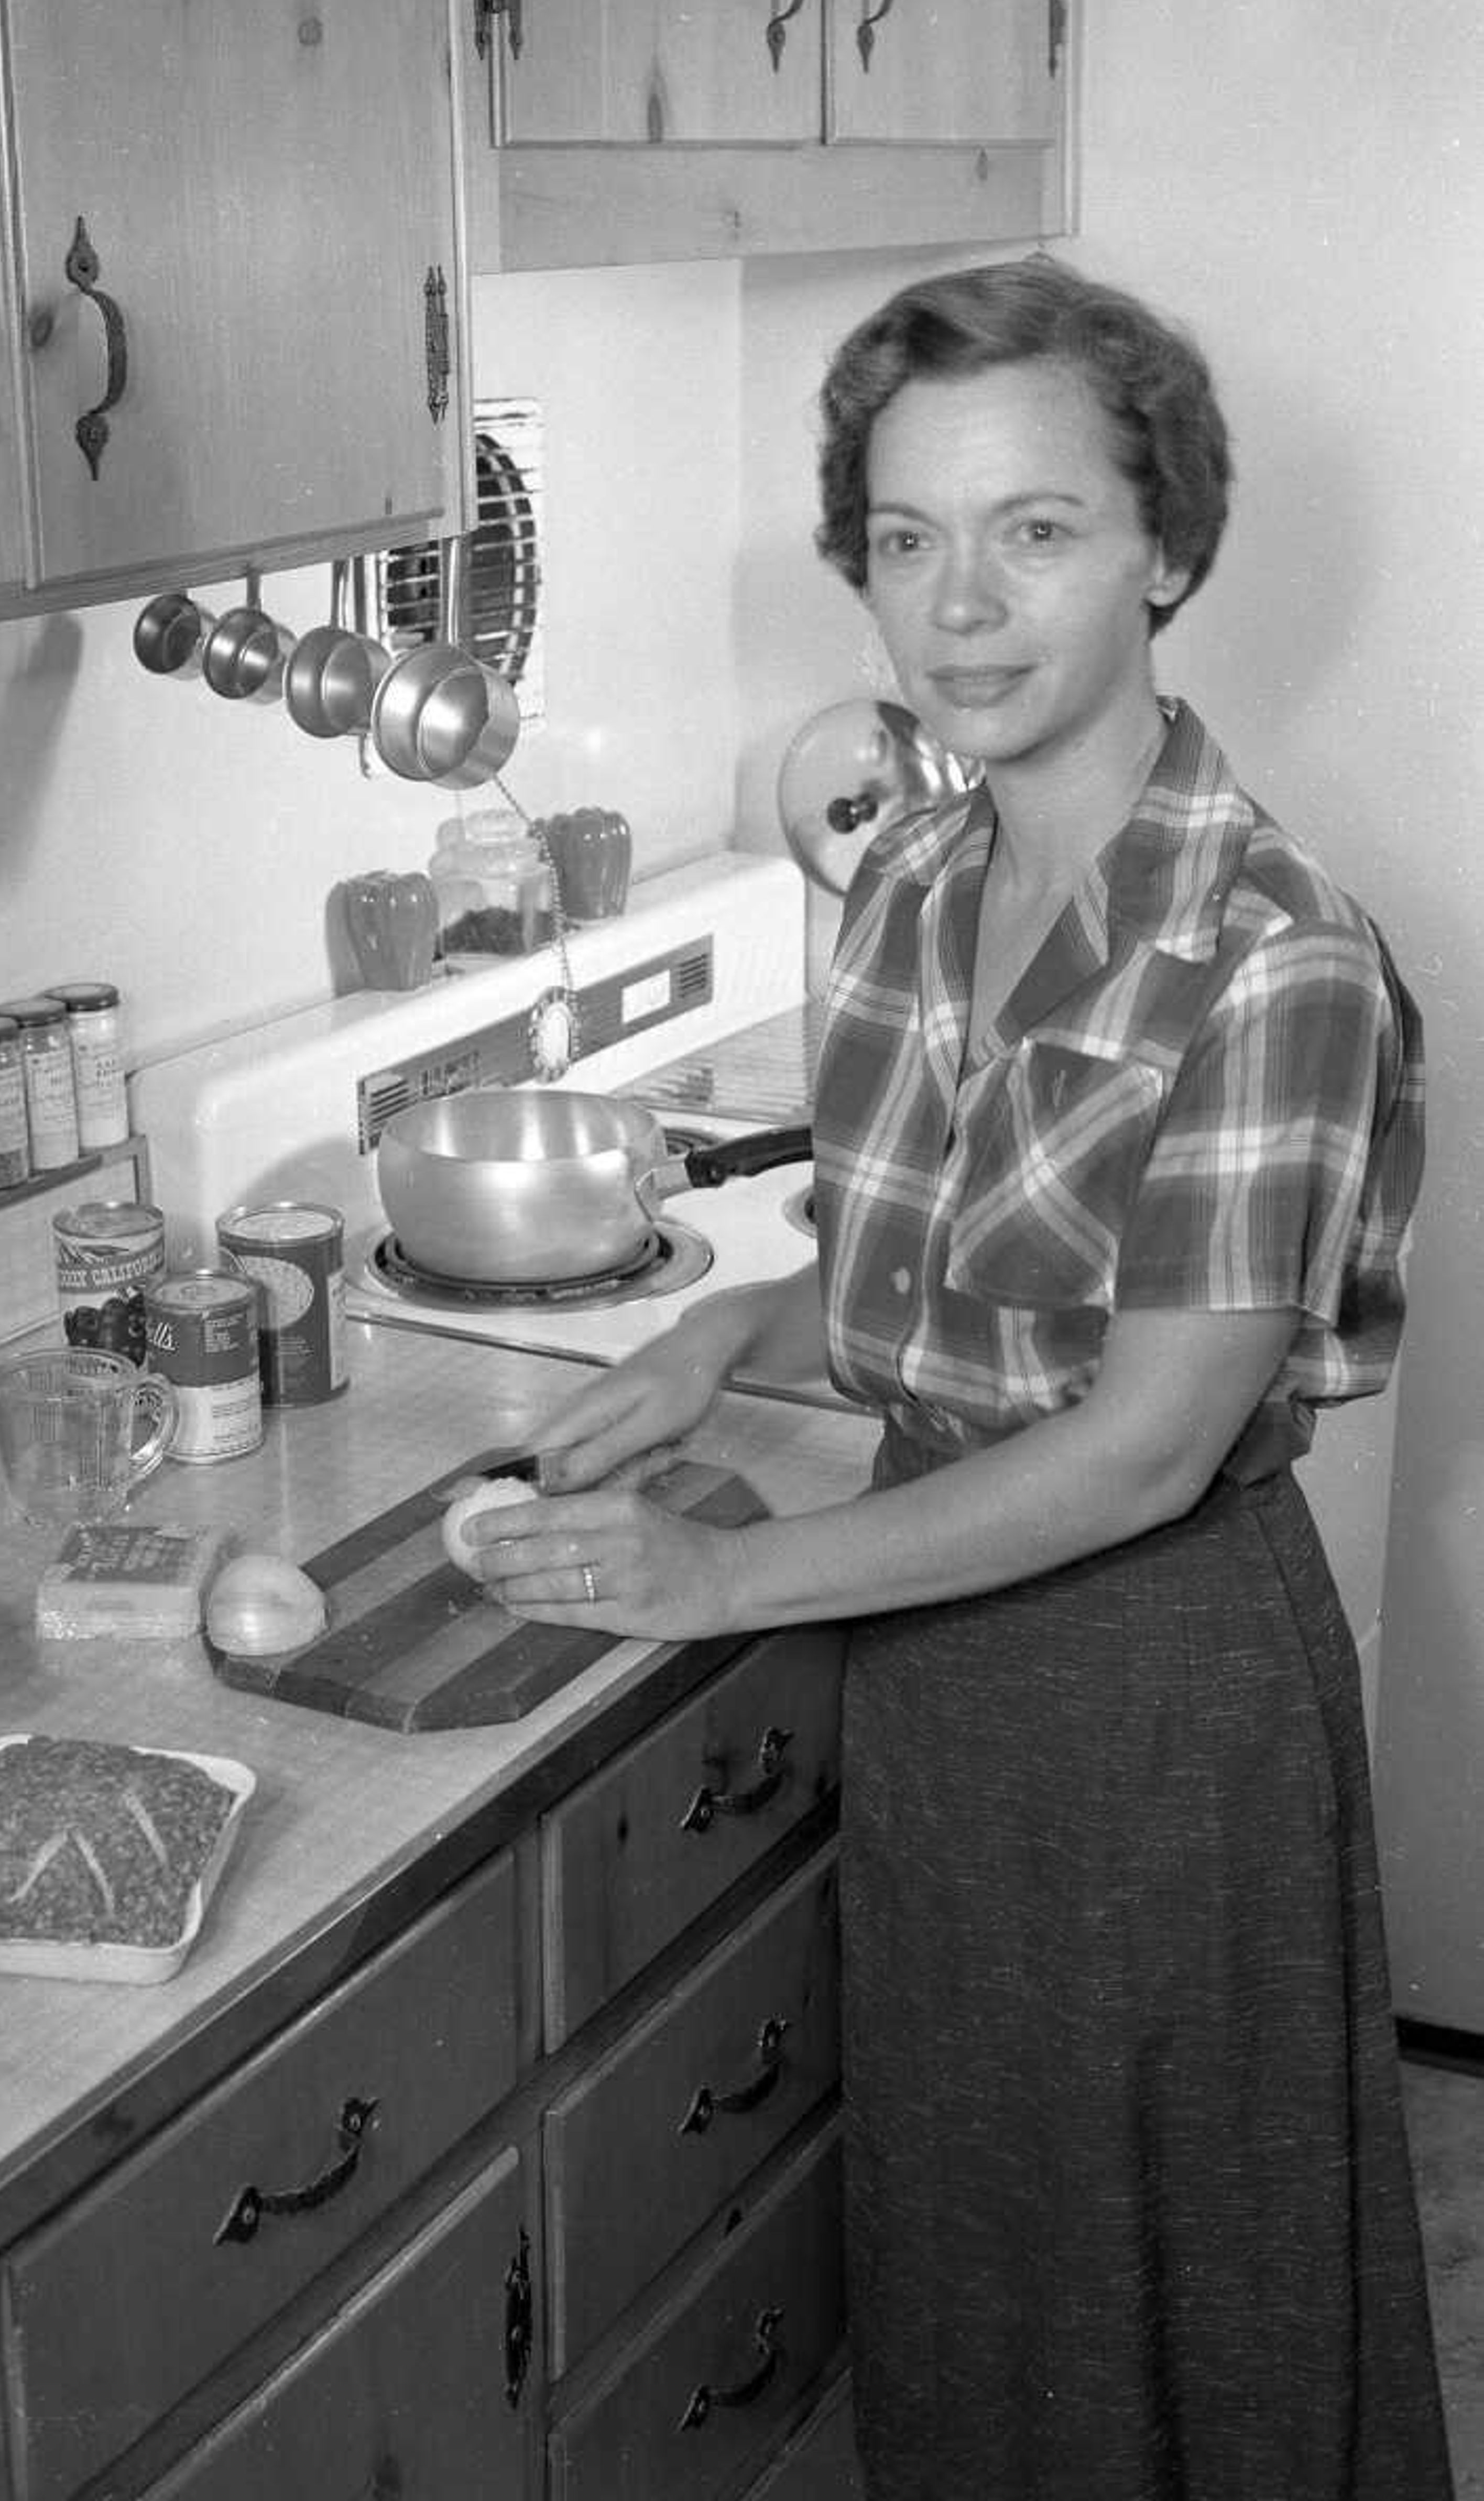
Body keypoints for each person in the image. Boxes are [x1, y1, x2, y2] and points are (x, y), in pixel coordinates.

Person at [460, 256, 1452, 2499]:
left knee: (1181, 2275)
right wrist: (729, 1331)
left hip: (1152, 1681)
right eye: (906, 540)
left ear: (1168, 548)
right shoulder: (914, 879)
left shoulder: (1270, 954)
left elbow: (1141, 1440)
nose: (958, 605)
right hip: (940, 1675)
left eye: (1036, 530)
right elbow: (919, 1281)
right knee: (987, 2259)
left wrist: (721, 1578)